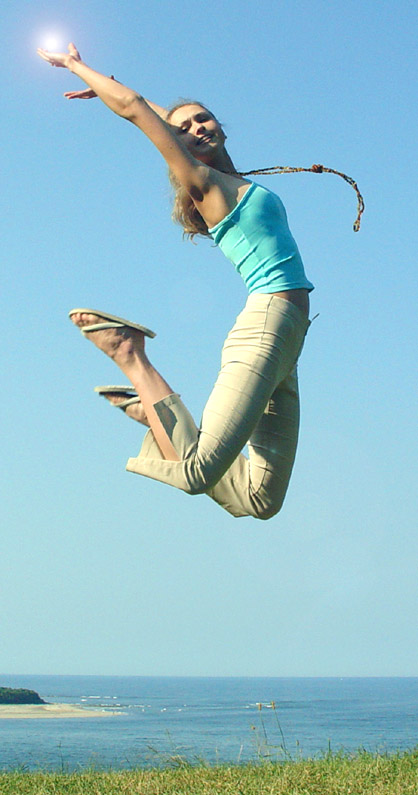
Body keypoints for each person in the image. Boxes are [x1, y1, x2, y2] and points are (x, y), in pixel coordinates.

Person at [37, 43, 315, 519]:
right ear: (178, 147)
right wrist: (76, 66)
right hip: (266, 326)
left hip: (290, 341)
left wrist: (113, 88)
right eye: (183, 129)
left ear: (220, 125)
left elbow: (151, 110)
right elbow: (136, 110)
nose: (196, 128)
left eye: (203, 119)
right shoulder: (207, 185)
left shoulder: (236, 179)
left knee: (262, 501)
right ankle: (131, 355)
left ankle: (157, 414)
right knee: (196, 473)